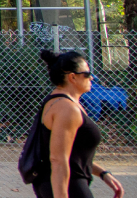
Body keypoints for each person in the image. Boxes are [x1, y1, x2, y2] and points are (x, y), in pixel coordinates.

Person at [31, 50, 122, 198]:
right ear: (72, 77)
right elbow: (58, 159)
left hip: (65, 183)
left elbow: (73, 155)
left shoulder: (61, 102)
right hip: (69, 187)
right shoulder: (67, 108)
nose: (91, 77)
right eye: (86, 73)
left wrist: (103, 173)